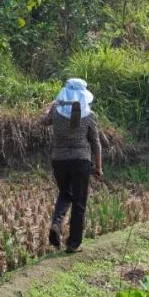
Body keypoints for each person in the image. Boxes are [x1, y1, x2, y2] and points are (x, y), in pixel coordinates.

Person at [42, 78, 102, 254]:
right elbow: (96, 144)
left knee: (64, 193)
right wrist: (98, 167)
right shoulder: (89, 116)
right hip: (81, 160)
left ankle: (56, 223)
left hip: (59, 160)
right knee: (79, 202)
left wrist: (51, 105)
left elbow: (42, 121)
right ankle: (73, 243)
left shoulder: (56, 111)